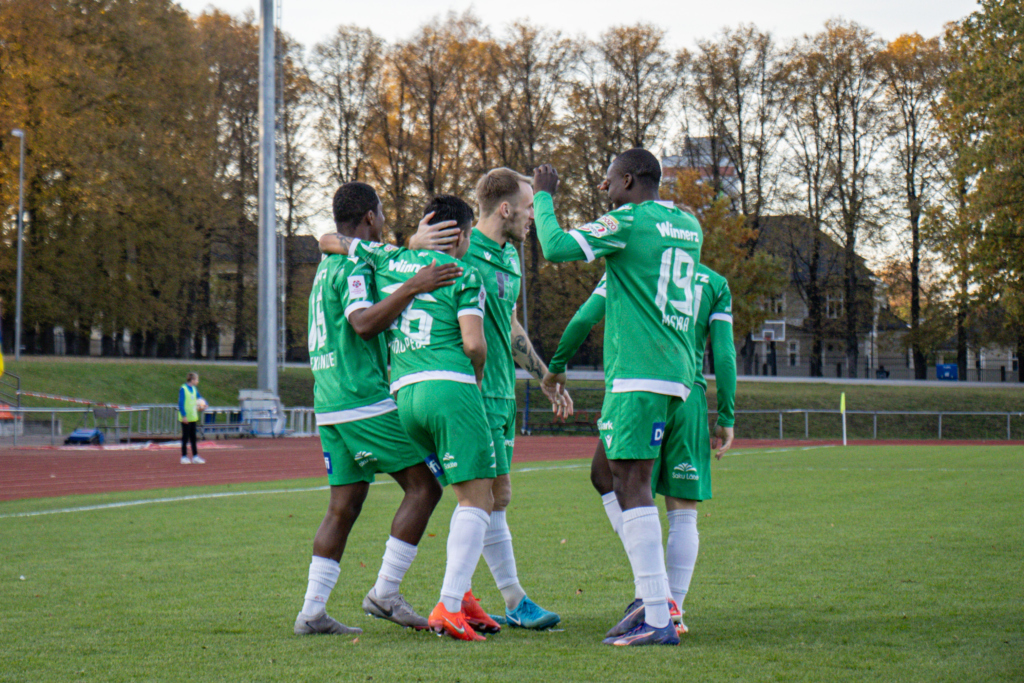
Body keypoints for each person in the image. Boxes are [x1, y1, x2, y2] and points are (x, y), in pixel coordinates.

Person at [531, 149, 703, 646]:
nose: (604, 191)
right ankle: (655, 598)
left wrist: (544, 195)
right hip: (676, 371)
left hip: (639, 374)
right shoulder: (687, 224)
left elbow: (557, 247)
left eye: (608, 181)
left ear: (628, 180)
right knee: (604, 473)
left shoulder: (628, 220)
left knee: (632, 482)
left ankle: (656, 613)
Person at [316, 193, 498, 642]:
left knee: (357, 503)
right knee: (475, 497)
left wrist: (409, 245)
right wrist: (477, 375)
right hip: (433, 389)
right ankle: (445, 602)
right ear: (464, 235)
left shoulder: (388, 257)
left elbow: (326, 238)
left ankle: (316, 609)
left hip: (401, 391)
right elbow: (474, 345)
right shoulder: (463, 272)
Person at [400, 169, 571, 632]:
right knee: (484, 496)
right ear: (505, 208)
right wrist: (414, 244)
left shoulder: (509, 258)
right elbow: (403, 267)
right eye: (530, 207)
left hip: (500, 392)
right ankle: (501, 598)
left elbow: (510, 325)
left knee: (497, 497)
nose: (534, 217)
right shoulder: (462, 246)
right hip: (466, 393)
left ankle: (472, 596)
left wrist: (543, 376)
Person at [294, 182, 461, 636]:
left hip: (328, 401)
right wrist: (413, 285)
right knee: (425, 487)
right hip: (361, 397)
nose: (385, 220)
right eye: (383, 213)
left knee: (343, 505)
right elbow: (363, 324)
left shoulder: (328, 265)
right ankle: (385, 593)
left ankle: (312, 612)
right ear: (369, 217)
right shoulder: (351, 265)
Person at [544, 262, 737, 636]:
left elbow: (585, 318)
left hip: (638, 390)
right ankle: (667, 602)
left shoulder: (630, 267)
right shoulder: (715, 282)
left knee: (613, 478)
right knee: (680, 509)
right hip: (688, 393)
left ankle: (659, 599)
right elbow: (725, 352)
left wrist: (556, 365)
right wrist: (726, 414)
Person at [179, 372, 206, 465]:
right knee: (185, 437)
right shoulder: (183, 388)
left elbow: (199, 398)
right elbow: (181, 403)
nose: (198, 381)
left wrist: (204, 404)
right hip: (186, 418)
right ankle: (184, 456)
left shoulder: (194, 389)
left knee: (193, 438)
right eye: (197, 379)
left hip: (193, 417)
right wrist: (184, 416)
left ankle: (195, 456)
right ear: (192, 380)